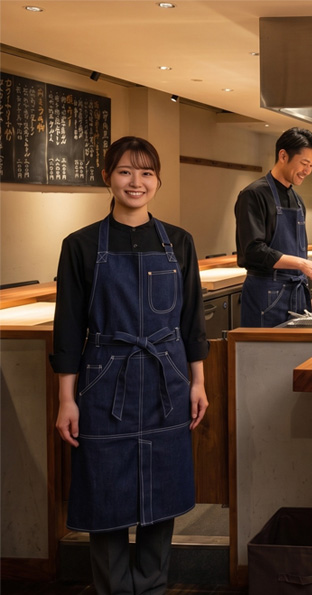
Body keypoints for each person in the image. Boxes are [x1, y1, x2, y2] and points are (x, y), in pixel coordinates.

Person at [52, 136, 209, 594]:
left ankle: (154, 587)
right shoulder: (79, 245)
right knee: (106, 496)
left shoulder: (180, 242)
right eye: (124, 171)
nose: (135, 182)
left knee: (162, 495)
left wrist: (197, 383)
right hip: (102, 382)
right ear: (107, 177)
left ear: (157, 181)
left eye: (145, 173)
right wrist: (67, 399)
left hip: (168, 377)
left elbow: (191, 319)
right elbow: (67, 330)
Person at [235, 127, 312, 327]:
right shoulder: (253, 195)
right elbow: (253, 251)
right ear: (283, 155)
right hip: (266, 296)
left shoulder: (297, 200)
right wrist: (302, 265)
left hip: (296, 294)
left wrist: (305, 292)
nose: (308, 171)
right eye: (304, 163)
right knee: (265, 357)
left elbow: (297, 250)